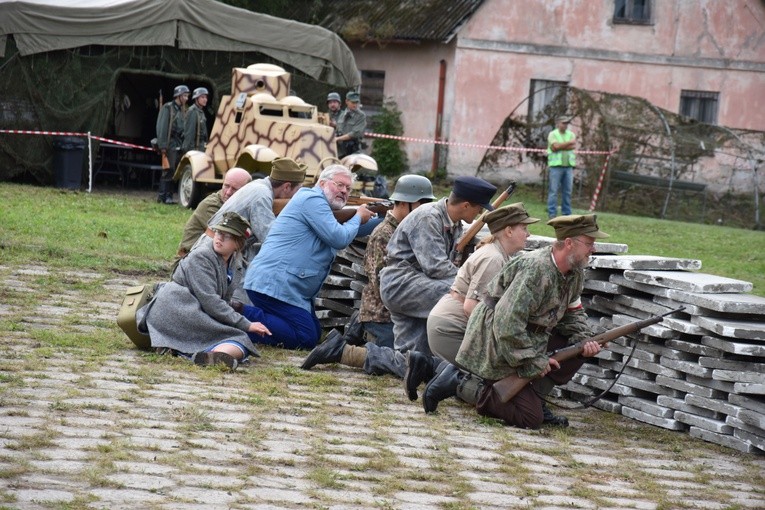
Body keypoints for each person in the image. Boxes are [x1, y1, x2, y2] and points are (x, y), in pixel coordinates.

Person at [454, 214, 609, 429]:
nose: (593, 249)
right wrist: (533, 361)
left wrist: (584, 340)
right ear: (569, 243)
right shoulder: (536, 269)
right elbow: (507, 323)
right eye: (589, 243)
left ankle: (532, 395)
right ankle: (460, 384)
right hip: (497, 338)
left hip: (529, 336)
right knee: (530, 419)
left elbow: (573, 312)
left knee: (577, 349)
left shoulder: (574, 272)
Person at [300, 174, 436, 373]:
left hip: (401, 313)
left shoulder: (409, 231)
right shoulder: (384, 235)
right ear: (407, 204)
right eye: (422, 205)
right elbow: (382, 286)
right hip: (383, 315)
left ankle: (353, 335)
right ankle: (343, 350)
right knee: (408, 364)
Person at [240, 165, 375, 349]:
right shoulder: (311, 199)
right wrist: (359, 215)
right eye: (339, 185)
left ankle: (255, 322)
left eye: (348, 188)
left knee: (315, 332)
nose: (344, 191)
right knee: (306, 337)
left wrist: (384, 216)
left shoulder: (321, 208)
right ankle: (239, 316)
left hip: (286, 287)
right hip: (274, 284)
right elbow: (339, 237)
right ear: (322, 183)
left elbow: (353, 226)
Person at [421, 203, 539, 413]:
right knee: (497, 392)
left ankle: (426, 366)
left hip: (451, 325)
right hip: (450, 330)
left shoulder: (499, 254)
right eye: (524, 228)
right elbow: (472, 308)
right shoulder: (493, 259)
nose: (528, 234)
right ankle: (448, 378)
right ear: (509, 230)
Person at [137, 212, 271, 370]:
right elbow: (211, 301)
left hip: (192, 310)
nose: (219, 238)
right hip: (175, 309)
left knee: (237, 339)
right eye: (219, 232)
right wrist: (246, 324)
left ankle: (213, 356)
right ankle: (193, 351)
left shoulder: (234, 262)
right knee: (239, 336)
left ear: (238, 243)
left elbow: (223, 300)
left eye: (227, 236)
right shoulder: (202, 257)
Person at [207, 157, 307, 263]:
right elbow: (271, 239)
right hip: (213, 254)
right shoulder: (262, 195)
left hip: (221, 249)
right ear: (286, 187)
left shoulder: (259, 185)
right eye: (297, 191)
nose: (296, 195)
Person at [175, 167, 251, 263]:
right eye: (226, 186)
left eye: (235, 189)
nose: (228, 192)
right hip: (188, 262)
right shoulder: (212, 206)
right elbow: (229, 241)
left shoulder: (237, 205)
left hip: (211, 259)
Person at [155, 84, 189, 204]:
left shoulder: (182, 110)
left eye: (187, 96)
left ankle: (167, 196)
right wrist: (163, 146)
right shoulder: (168, 108)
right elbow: (162, 127)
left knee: (174, 171)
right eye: (184, 96)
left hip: (178, 143)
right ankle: (163, 196)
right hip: (169, 143)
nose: (186, 98)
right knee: (168, 170)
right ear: (178, 96)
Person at [547, 115, 576, 219]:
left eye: (567, 123)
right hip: (556, 166)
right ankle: (552, 213)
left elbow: (573, 146)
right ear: (558, 123)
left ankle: (566, 213)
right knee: (553, 191)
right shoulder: (552, 134)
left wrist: (560, 146)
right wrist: (568, 144)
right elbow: (555, 147)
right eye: (563, 123)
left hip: (568, 166)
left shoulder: (571, 134)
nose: (565, 125)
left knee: (568, 191)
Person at [335, 91, 366, 158]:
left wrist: (338, 138)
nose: (355, 105)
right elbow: (338, 130)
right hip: (340, 151)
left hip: (353, 151)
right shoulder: (341, 115)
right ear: (347, 101)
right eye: (353, 102)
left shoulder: (361, 116)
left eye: (356, 102)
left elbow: (355, 133)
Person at [182, 87, 209, 153]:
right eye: (202, 97)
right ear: (196, 98)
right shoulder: (192, 111)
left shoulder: (200, 111)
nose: (205, 99)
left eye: (206, 97)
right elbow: (189, 134)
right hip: (195, 148)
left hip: (201, 147)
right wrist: (190, 151)